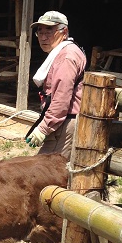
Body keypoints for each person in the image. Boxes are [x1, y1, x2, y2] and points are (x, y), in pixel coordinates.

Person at [25, 10, 85, 159]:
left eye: (49, 32)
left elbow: (61, 99)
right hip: (61, 121)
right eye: (40, 32)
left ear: (64, 31)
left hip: (66, 122)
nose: (43, 38)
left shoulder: (66, 57)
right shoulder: (62, 51)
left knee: (46, 174)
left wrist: (43, 128)